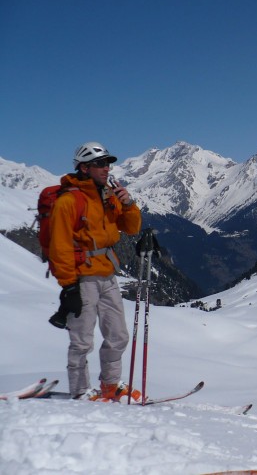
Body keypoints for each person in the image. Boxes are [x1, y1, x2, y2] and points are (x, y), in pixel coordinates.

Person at [49, 141, 143, 401]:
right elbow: (59, 247)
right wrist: (68, 286)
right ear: (84, 168)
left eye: (107, 163)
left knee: (119, 336)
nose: (106, 168)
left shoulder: (109, 196)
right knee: (82, 341)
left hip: (107, 275)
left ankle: (110, 386)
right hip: (82, 277)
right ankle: (80, 391)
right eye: (99, 164)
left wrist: (129, 204)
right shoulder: (69, 201)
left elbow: (132, 228)